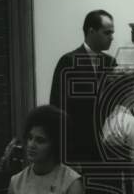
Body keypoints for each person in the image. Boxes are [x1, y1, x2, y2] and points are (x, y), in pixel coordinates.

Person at [48, 9, 118, 168]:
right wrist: (67, 155)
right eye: (107, 32)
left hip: (108, 150)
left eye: (112, 33)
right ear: (91, 31)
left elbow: (119, 104)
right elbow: (58, 110)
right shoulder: (68, 62)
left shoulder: (110, 63)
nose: (112, 37)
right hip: (79, 151)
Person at [6, 105, 85, 194]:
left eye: (40, 140)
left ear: (56, 145)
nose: (31, 144)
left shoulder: (71, 182)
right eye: (30, 138)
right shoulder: (16, 181)